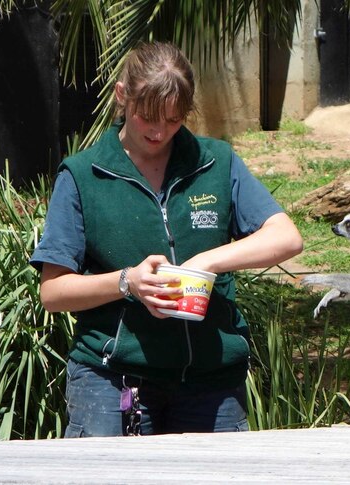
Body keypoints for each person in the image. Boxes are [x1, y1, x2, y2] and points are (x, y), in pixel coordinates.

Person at [30, 41, 303, 437]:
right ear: (123, 96)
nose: (159, 132)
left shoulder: (216, 162)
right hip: (113, 382)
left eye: (173, 120)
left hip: (211, 384)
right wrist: (128, 282)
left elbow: (287, 237)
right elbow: (53, 293)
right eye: (148, 117)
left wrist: (208, 261)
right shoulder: (83, 175)